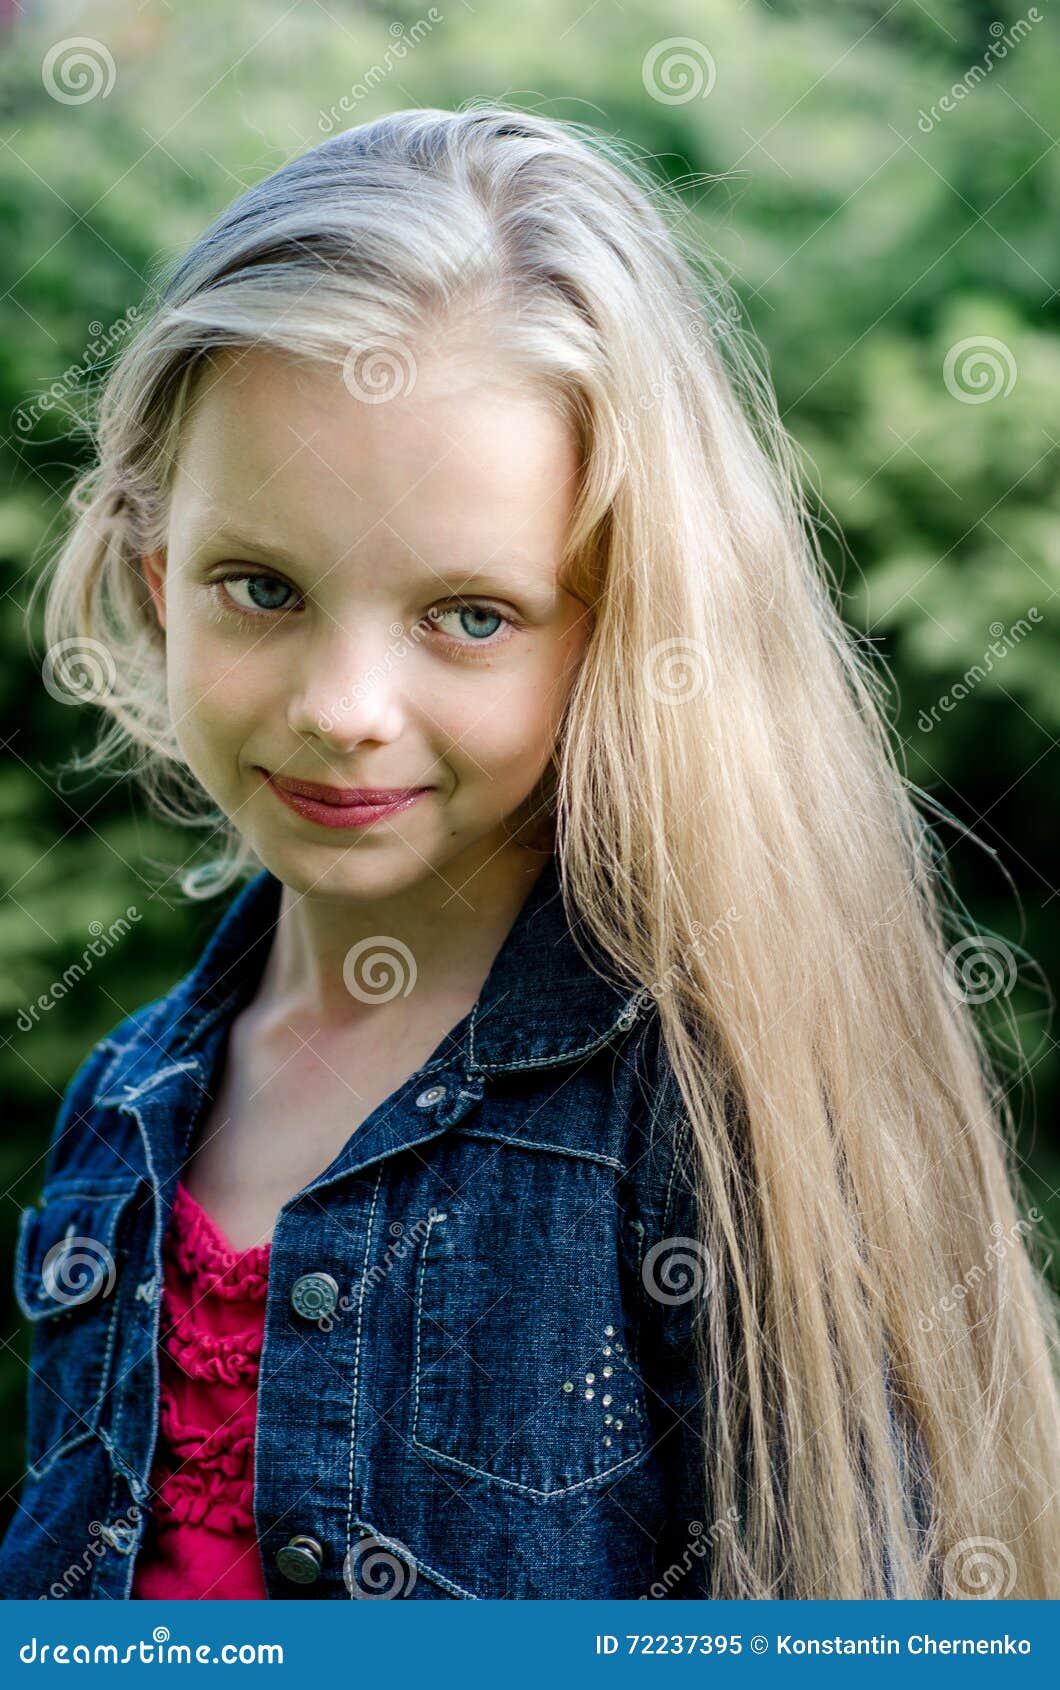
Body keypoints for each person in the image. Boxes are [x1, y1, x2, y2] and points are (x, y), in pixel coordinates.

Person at [3, 104, 1057, 1601]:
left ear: (620, 629)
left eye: (470, 615)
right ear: (160, 579)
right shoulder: (118, 1112)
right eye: (261, 586)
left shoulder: (721, 1112)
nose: (342, 709)